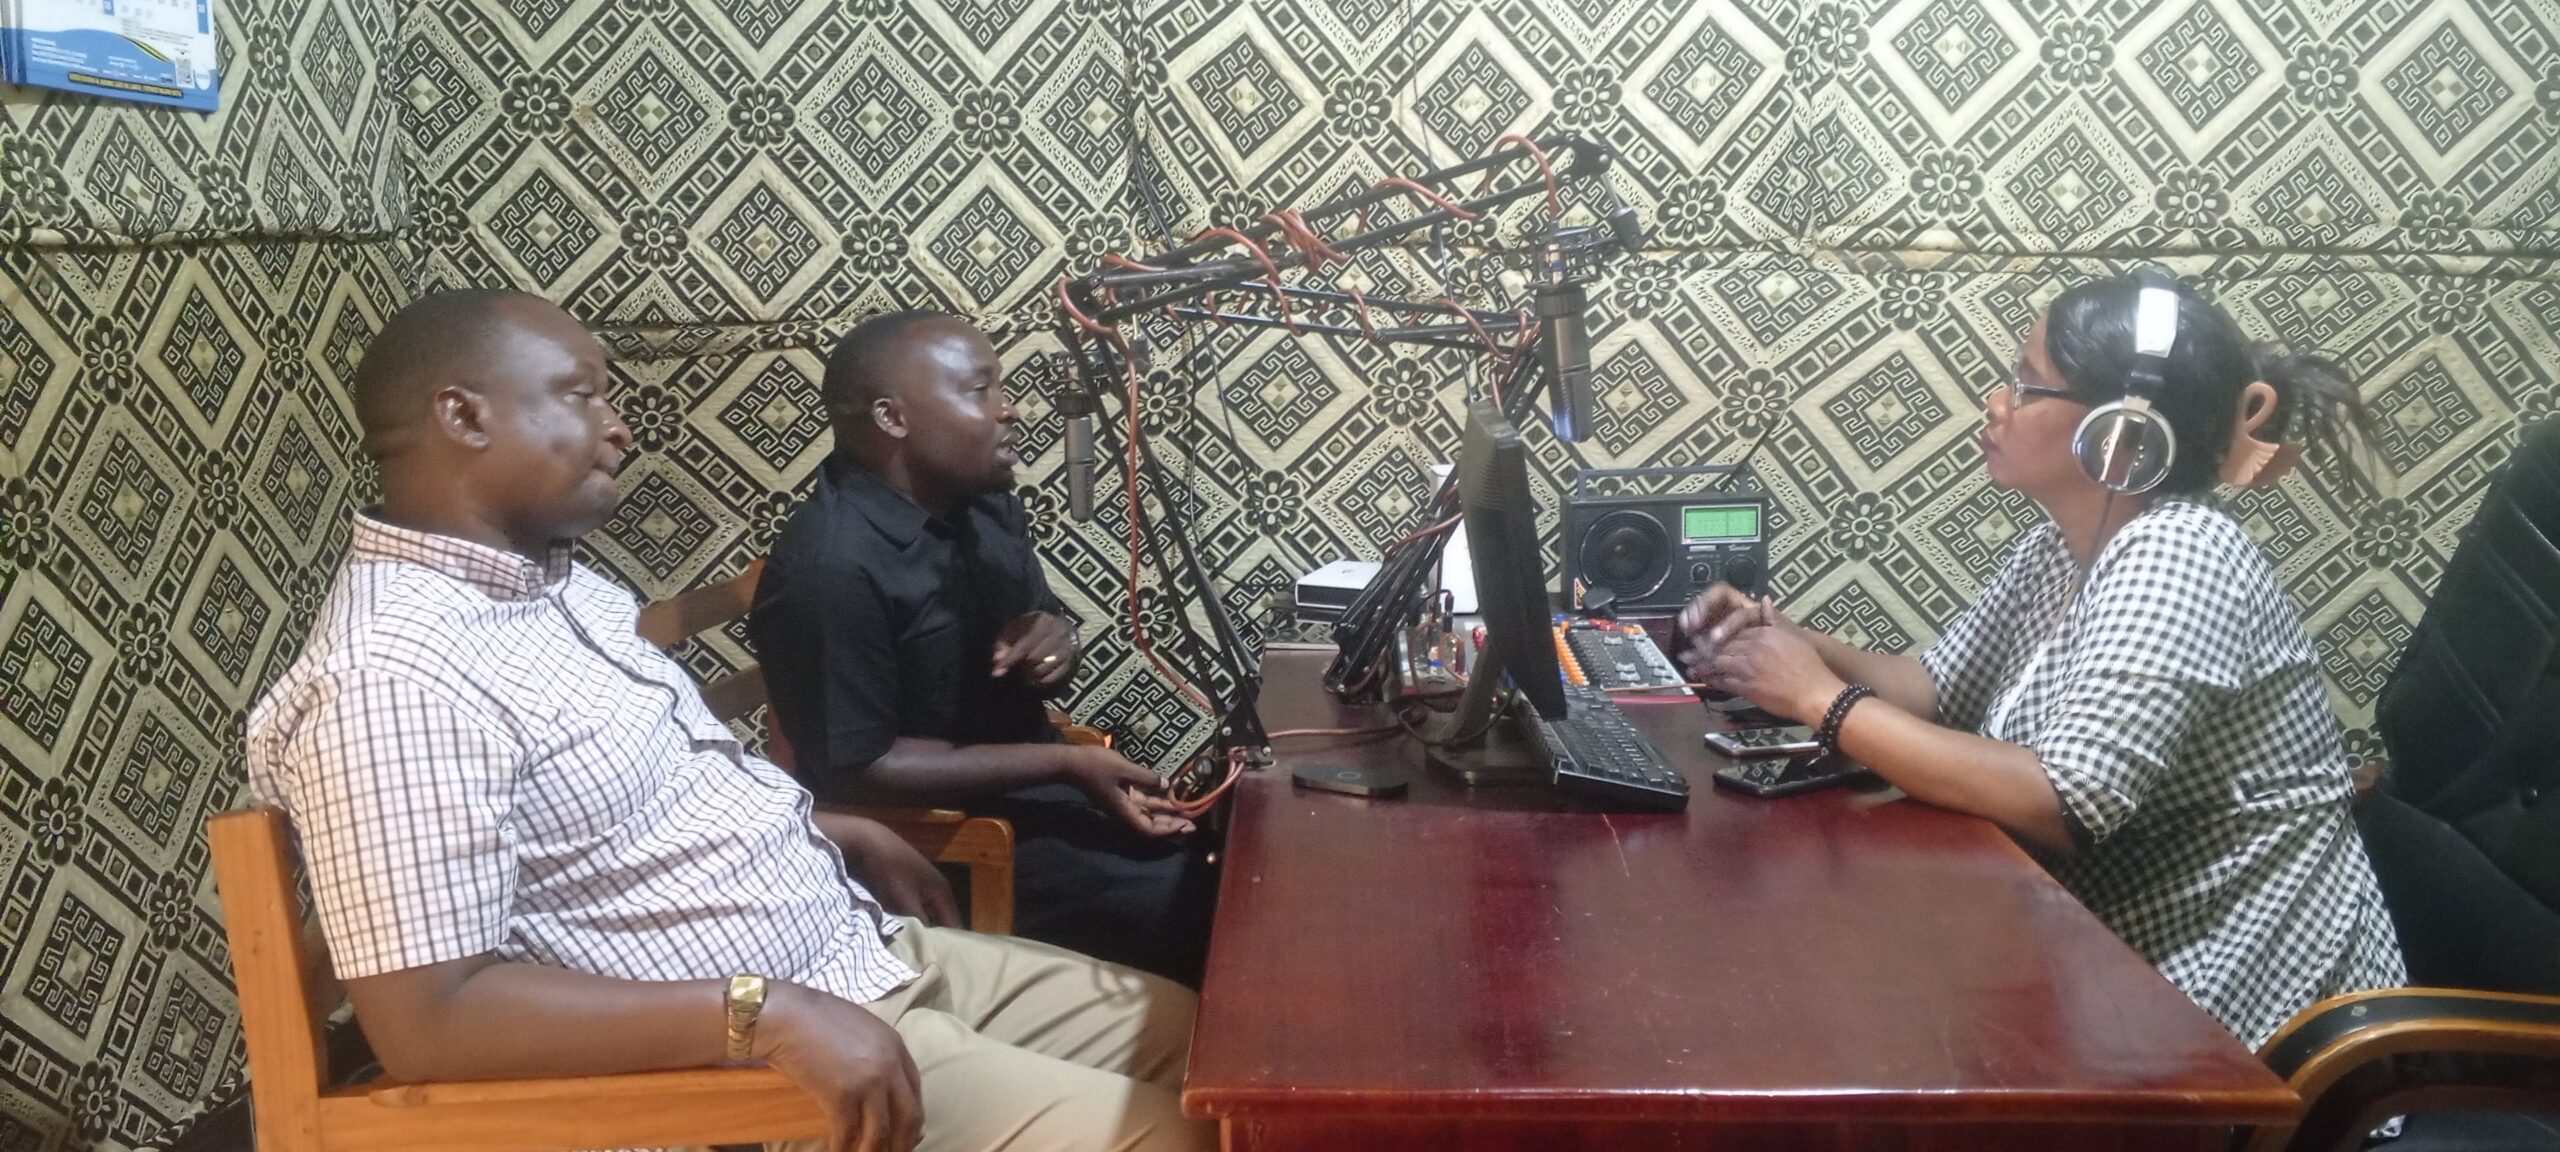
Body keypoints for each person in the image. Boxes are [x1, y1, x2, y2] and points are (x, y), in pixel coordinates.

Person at [244, 289, 1212, 1152]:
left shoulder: (559, 591)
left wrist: (834, 827)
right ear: (464, 415)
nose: (620, 428)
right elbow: (431, 1024)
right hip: (760, 1066)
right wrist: (765, 1015)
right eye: (582, 396)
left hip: (852, 953)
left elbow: (640, 809)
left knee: (1213, 1050)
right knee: (1182, 1134)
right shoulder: (392, 678)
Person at [1679, 271, 2405, 1049]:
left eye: (2027, 386)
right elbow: (1934, 690)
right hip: (2091, 957)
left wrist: (1819, 699)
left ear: (2121, 431)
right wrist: (1797, 643)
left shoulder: (2183, 552)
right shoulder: (2062, 546)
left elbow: (2065, 803)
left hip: (2225, 1009)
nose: (1996, 403)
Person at [749, 311, 1215, 986]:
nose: (1010, 409)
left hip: (1030, 800)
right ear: (893, 418)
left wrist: (1057, 641)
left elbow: (1042, 637)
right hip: (945, 847)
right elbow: (860, 768)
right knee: (1201, 905)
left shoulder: (984, 508)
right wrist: (1067, 763)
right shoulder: (831, 569)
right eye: (980, 390)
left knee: (1225, 850)